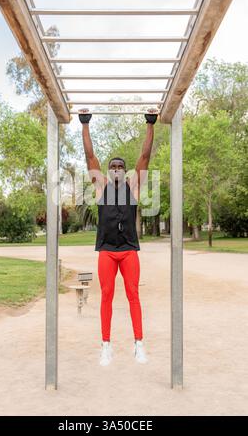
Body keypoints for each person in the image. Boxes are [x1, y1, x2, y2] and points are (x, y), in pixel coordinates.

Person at [79, 107, 158, 366]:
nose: (115, 169)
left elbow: (145, 155)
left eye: (119, 166)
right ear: (107, 171)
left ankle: (139, 344)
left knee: (133, 294)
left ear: (124, 171)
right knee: (106, 295)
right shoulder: (100, 186)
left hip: (128, 249)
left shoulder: (132, 186)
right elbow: (90, 155)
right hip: (107, 250)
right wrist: (85, 123)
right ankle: (106, 346)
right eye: (112, 166)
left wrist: (150, 123)